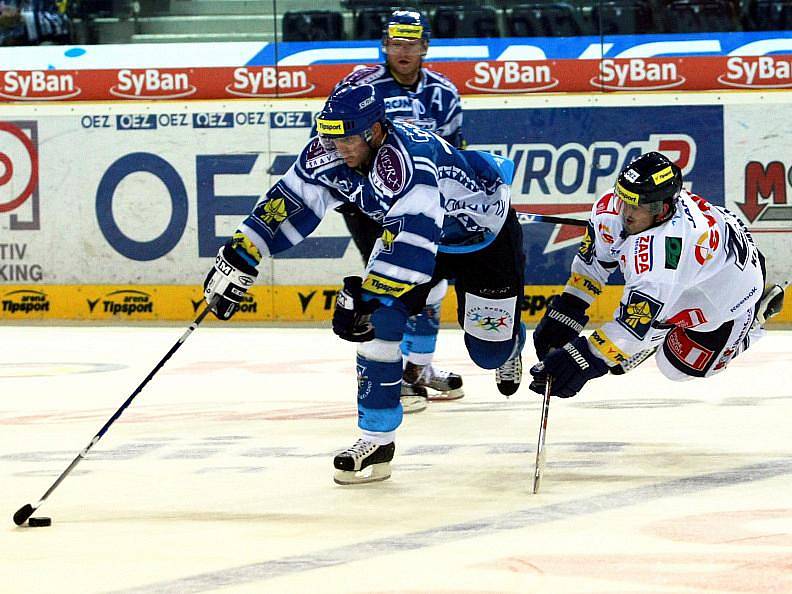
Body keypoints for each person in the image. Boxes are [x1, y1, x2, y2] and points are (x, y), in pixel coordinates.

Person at [203, 84, 527, 484]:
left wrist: (369, 295)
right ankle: (377, 441)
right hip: (417, 237)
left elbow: (413, 247)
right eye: (329, 136)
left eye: (346, 138)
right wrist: (241, 252)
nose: (337, 148)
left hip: (483, 238)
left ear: (375, 131)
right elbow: (291, 199)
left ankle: (510, 340)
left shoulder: (412, 164)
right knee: (379, 325)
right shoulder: (332, 148)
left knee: (488, 352)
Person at [528, 151, 786, 399]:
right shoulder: (611, 210)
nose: (626, 212)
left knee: (676, 369)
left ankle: (755, 319)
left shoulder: (664, 253)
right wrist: (567, 311)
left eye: (638, 206)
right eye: (625, 198)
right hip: (691, 276)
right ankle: (658, 329)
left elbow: (630, 329)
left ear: (662, 210)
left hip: (728, 294)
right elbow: (593, 264)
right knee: (624, 353)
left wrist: (579, 359)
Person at [328, 8, 467, 414]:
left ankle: (417, 369)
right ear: (384, 45)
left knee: (432, 285)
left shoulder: (444, 94)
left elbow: (453, 155)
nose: (402, 51)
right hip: (368, 206)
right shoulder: (361, 85)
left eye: (410, 43)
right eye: (394, 43)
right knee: (388, 285)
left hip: (420, 205)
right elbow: (332, 139)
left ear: (424, 46)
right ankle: (392, 379)